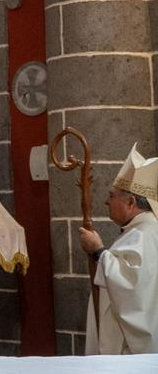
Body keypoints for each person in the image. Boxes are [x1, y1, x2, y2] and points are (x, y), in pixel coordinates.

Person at [79, 144, 158, 355]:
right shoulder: (140, 230)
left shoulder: (144, 234)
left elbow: (132, 286)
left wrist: (98, 251)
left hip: (130, 351)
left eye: (112, 196)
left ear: (131, 202)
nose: (106, 201)